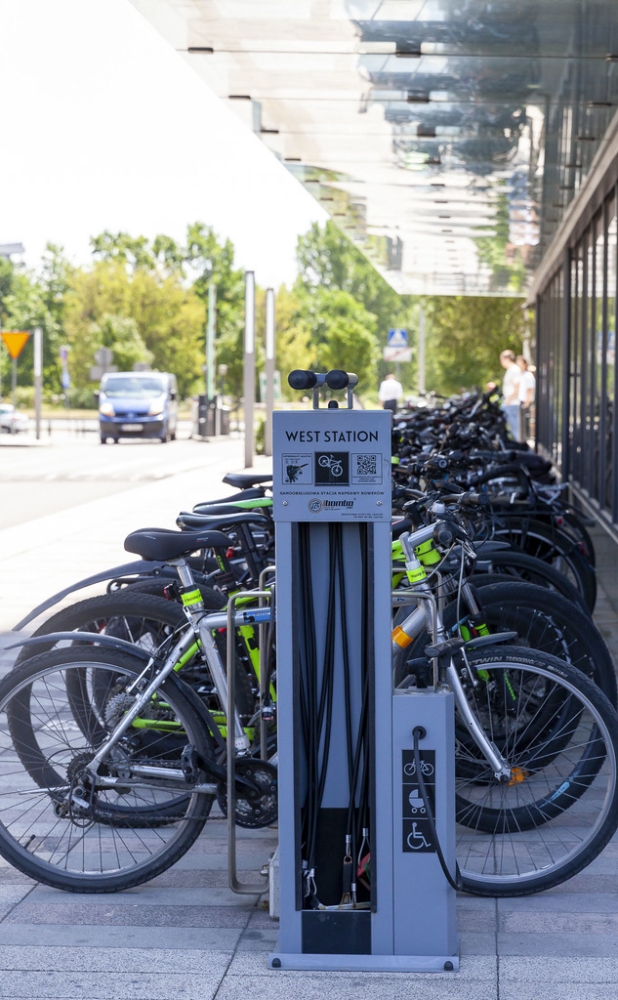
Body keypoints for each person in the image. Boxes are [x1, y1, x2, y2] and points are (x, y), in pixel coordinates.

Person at [499, 349, 521, 440]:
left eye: (501, 360)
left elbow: (517, 386)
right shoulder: (511, 369)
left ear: (507, 359)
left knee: (515, 428)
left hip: (512, 403)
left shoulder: (514, 369)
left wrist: (509, 400)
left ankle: (519, 444)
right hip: (509, 402)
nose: (501, 362)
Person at [516, 355, 536, 441]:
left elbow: (530, 389)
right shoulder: (521, 375)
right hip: (521, 401)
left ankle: (525, 440)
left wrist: (527, 402)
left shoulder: (528, 375)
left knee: (525, 422)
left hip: (526, 402)